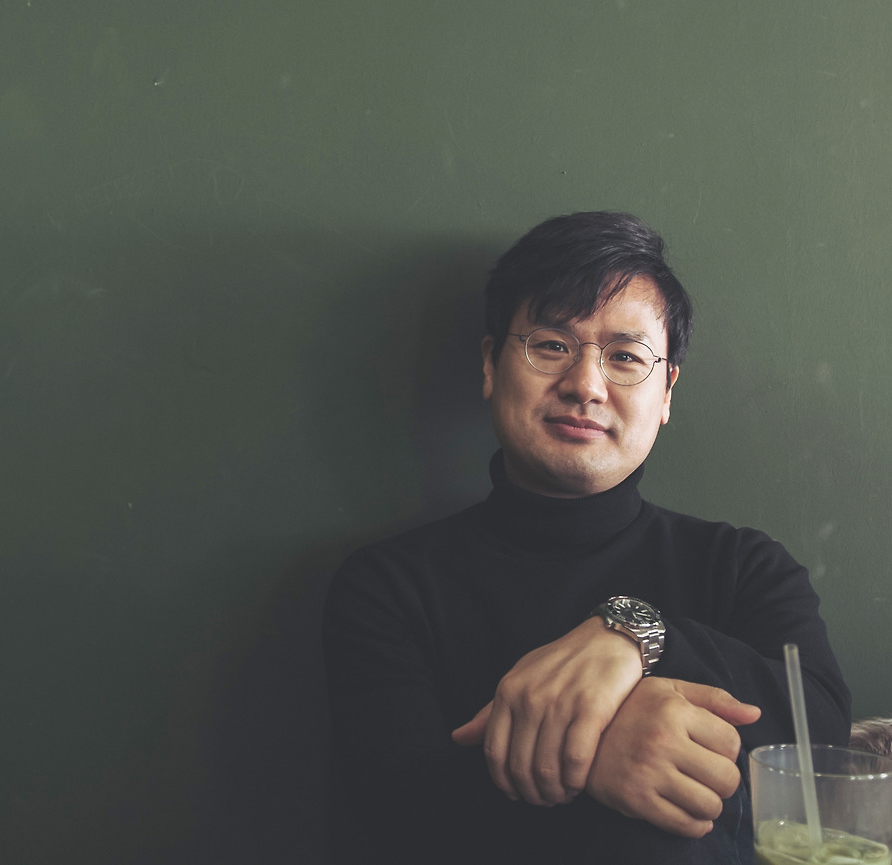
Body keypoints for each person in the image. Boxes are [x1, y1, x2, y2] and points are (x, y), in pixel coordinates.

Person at [322, 212, 850, 864]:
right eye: (551, 345)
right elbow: (400, 813)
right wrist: (599, 756)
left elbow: (821, 744)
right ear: (490, 364)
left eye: (625, 357)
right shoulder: (389, 586)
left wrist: (639, 635)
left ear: (666, 392)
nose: (585, 385)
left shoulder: (745, 567)